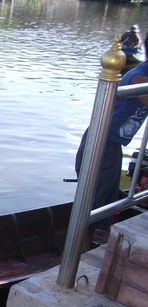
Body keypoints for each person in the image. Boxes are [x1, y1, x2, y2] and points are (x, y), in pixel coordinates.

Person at [75, 36, 148, 231]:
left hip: (110, 144)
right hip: (100, 143)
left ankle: (89, 245)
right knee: (95, 203)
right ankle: (80, 251)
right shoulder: (139, 78)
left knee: (104, 199)